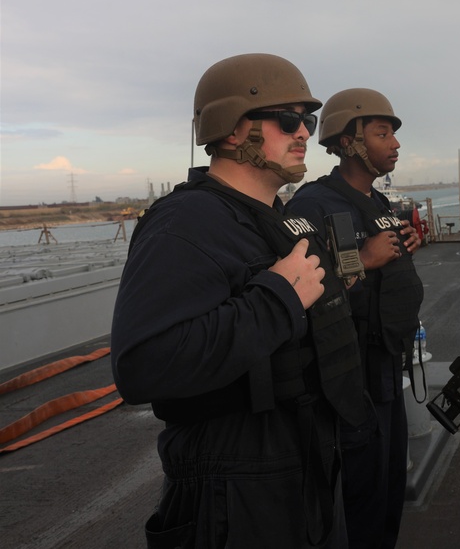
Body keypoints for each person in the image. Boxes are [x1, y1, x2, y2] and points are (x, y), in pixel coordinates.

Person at [111, 53, 367, 549]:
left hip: (301, 467)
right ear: (232, 130)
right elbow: (142, 365)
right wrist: (277, 299)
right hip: (234, 484)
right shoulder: (186, 223)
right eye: (288, 119)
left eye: (308, 121)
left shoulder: (272, 218)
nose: (304, 133)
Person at [288, 88, 423, 549]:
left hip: (387, 368)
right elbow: (303, 292)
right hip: (349, 378)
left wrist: (400, 249)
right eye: (382, 133)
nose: (395, 143)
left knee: (387, 491)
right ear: (350, 141)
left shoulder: (377, 204)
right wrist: (364, 259)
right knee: (356, 498)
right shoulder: (312, 205)